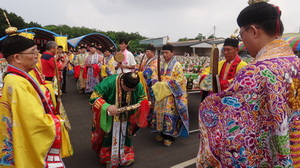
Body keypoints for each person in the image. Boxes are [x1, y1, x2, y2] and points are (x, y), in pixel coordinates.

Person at [197, 1, 300, 167]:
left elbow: (235, 129)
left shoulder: (254, 71)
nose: (242, 40)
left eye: (241, 35)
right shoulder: (296, 62)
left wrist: (211, 104)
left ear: (253, 30)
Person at [0, 33, 66, 167]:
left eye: (37, 51)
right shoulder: (17, 83)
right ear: (17, 57)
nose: (37, 55)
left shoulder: (18, 77)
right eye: (33, 52)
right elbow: (34, 122)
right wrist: (57, 121)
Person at [89, 72, 148, 167]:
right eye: (127, 89)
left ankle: (126, 154)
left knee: (126, 134)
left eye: (132, 90)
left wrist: (141, 103)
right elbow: (94, 97)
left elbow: (143, 97)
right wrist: (106, 106)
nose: (129, 91)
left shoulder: (137, 85)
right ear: (121, 81)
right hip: (110, 116)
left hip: (127, 116)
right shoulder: (110, 81)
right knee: (108, 135)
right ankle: (108, 156)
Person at [150, 44, 189, 146]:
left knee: (169, 114)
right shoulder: (160, 64)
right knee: (159, 114)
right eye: (163, 53)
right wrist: (155, 81)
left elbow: (180, 78)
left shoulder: (177, 65)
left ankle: (169, 136)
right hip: (160, 94)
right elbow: (154, 75)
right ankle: (161, 133)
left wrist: (166, 84)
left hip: (170, 94)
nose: (165, 55)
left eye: (167, 52)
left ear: (172, 53)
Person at [139, 44, 158, 115]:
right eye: (146, 52)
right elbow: (140, 67)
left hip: (151, 82)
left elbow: (150, 71)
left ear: (152, 52)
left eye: (147, 52)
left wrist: (143, 72)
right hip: (145, 82)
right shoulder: (147, 60)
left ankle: (151, 115)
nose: (146, 53)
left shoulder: (155, 61)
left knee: (152, 100)